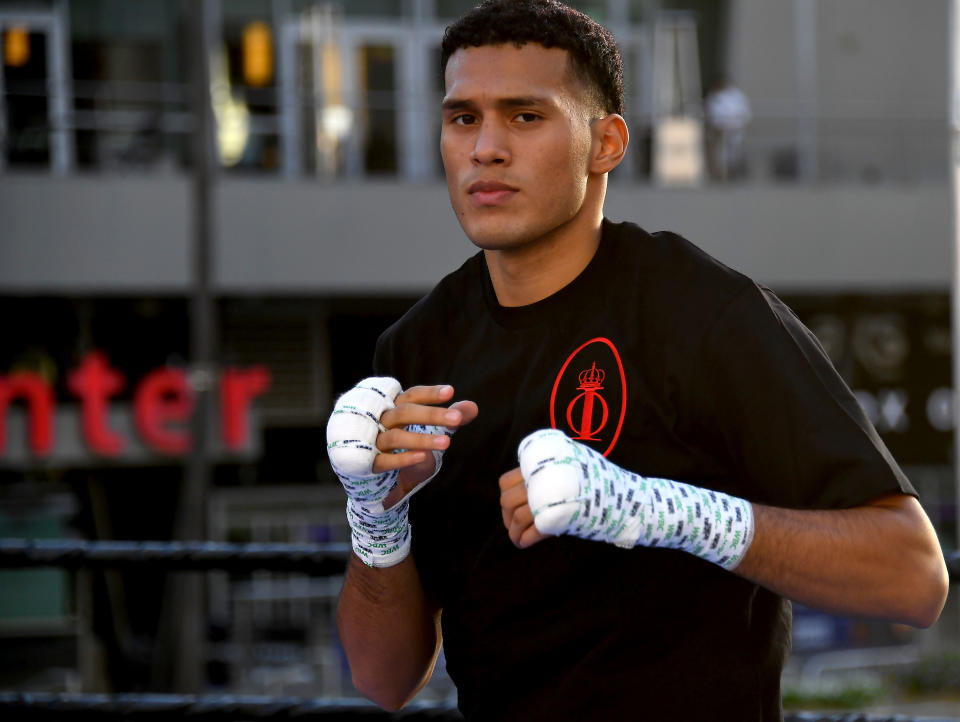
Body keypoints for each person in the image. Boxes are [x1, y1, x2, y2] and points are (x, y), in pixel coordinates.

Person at [326, 2, 949, 720]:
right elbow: (383, 680)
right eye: (463, 117)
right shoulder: (418, 347)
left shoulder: (703, 314)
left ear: (607, 143)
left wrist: (665, 512)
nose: (485, 148)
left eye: (526, 116)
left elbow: (915, 576)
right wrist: (376, 518)